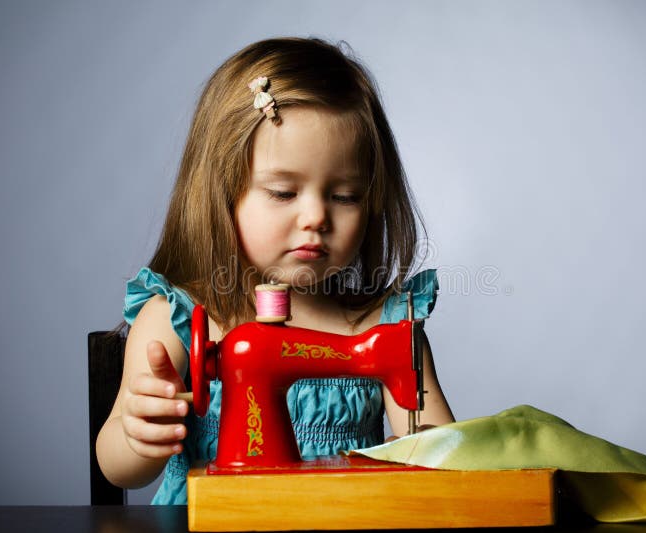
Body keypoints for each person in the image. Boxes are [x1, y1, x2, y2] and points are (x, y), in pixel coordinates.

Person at [95, 37, 455, 504]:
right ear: (223, 194)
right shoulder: (176, 320)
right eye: (284, 193)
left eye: (345, 196)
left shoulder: (385, 328)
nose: (316, 218)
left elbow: (446, 456)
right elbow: (119, 469)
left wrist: (427, 448)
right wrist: (141, 433)